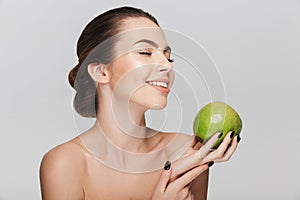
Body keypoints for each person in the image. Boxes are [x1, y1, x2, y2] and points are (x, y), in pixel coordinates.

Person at [39, 6, 240, 200]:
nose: (166, 66)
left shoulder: (187, 153)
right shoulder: (65, 164)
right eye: (145, 52)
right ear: (101, 72)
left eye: (169, 58)